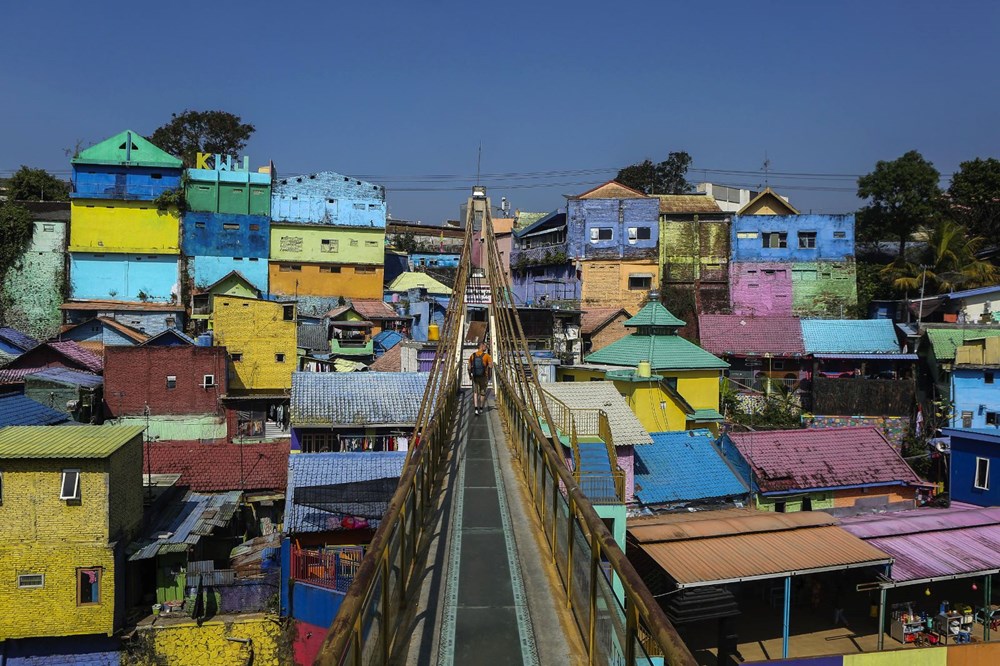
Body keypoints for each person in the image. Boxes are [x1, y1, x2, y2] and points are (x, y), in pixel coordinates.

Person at [468, 340, 493, 416]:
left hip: (475, 376)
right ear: (481, 346)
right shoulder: (487, 356)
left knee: (475, 392)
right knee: (482, 392)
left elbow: (469, 367)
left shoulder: (473, 355)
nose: (485, 347)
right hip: (483, 376)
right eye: (485, 346)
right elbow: (491, 366)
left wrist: (470, 375)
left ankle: (476, 409)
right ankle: (481, 408)